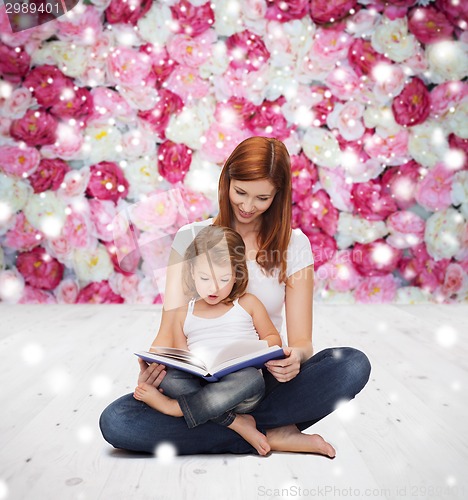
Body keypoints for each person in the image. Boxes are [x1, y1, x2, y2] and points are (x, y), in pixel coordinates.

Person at [100, 136, 371, 456]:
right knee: (117, 421)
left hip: (260, 379)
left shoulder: (294, 245)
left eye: (262, 198)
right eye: (240, 191)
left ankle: (231, 425)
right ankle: (264, 429)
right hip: (197, 381)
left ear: (279, 196)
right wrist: (152, 367)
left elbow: (302, 343)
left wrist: (293, 360)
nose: (246, 206)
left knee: (352, 365)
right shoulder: (191, 237)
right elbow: (169, 332)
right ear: (226, 181)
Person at [134, 225, 284, 456]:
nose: (213, 287)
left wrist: (263, 350)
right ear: (192, 272)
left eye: (224, 278)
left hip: (240, 388)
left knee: (252, 379)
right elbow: (181, 357)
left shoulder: (248, 303)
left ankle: (174, 409)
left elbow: (273, 338)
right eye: (205, 278)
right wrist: (155, 367)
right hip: (201, 386)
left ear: (237, 274)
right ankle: (235, 422)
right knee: (171, 379)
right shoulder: (184, 311)